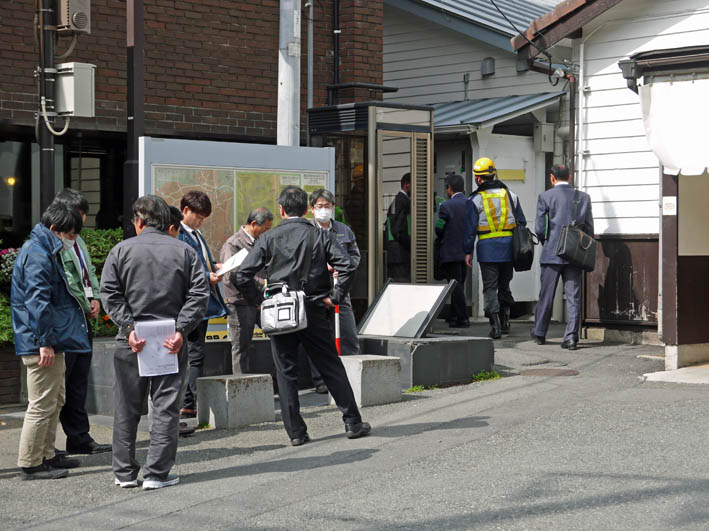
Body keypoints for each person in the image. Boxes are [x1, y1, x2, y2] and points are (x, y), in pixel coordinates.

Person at [236, 186, 371, 446]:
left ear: (282, 210)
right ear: (308, 209)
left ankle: (296, 433)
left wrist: (259, 303)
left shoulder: (268, 238)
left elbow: (241, 275)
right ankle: (352, 421)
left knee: (286, 372)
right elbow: (348, 266)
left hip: (280, 310)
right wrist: (335, 296)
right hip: (313, 307)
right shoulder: (320, 236)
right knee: (330, 365)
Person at [100, 195, 209, 490]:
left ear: (138, 222)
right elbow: (199, 295)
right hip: (170, 339)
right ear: (167, 222)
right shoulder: (185, 251)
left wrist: (128, 325)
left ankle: (124, 473)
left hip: (131, 340)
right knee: (165, 407)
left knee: (126, 407)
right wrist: (181, 329)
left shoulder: (121, 251)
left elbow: (109, 293)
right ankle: (156, 473)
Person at [11, 202, 90, 480]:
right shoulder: (38, 254)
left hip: (48, 339)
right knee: (43, 403)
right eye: (69, 234)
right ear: (55, 229)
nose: (71, 240)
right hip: (42, 342)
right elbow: (37, 302)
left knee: (55, 399)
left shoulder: (41, 249)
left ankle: (45, 455)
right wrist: (44, 341)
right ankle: (31, 463)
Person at [50, 189, 112, 456]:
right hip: (68, 321)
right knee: (59, 385)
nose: (79, 225)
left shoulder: (79, 241)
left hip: (83, 320)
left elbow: (89, 273)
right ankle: (46, 444)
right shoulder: (54, 243)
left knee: (78, 382)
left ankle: (78, 437)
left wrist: (96, 297)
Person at [177, 191, 229, 418]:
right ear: (185, 210)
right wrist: (207, 275)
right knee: (193, 354)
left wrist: (216, 266)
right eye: (198, 217)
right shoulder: (179, 235)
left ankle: (189, 401)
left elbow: (202, 260)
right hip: (190, 303)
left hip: (202, 303)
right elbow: (185, 268)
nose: (200, 222)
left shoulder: (195, 234)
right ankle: (188, 402)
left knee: (197, 353)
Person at [531, 164, 594, 350]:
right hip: (574, 254)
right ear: (570, 176)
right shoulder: (583, 197)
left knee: (546, 295)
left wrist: (547, 243)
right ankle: (572, 337)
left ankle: (540, 333)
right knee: (573, 295)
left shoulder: (545, 197)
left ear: (552, 178)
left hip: (552, 252)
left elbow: (540, 229)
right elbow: (589, 228)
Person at [464, 157, 526, 339]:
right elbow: (521, 221)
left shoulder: (475, 200)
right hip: (509, 249)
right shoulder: (511, 195)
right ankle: (506, 321)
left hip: (488, 250)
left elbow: (470, 230)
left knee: (490, 287)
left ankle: (495, 326)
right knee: (505, 285)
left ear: (478, 178)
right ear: (494, 174)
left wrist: (468, 251)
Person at [307, 189, 361, 394]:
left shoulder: (344, 231)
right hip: (316, 292)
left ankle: (353, 374)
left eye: (327, 206)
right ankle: (320, 380)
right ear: (312, 209)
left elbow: (354, 256)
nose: (323, 210)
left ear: (333, 207)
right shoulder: (307, 231)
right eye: (319, 206)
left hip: (341, 290)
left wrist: (344, 266)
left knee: (347, 334)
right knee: (319, 338)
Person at [220, 208, 273, 375]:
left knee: (278, 337)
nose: (266, 232)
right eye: (265, 228)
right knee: (241, 346)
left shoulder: (259, 241)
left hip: (260, 300)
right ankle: (241, 387)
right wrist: (262, 284)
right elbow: (231, 275)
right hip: (240, 302)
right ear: (253, 224)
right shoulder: (233, 244)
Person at [435, 174, 469, 328]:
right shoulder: (470, 204)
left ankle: (462, 317)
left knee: (454, 286)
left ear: (449, 188)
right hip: (465, 253)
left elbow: (439, 228)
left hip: (450, 252)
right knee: (459, 283)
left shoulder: (446, 206)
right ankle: (453, 316)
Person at [385, 173, 411, 282]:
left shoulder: (397, 200)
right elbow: (397, 229)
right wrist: (410, 243)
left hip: (395, 253)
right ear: (406, 185)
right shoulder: (402, 201)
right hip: (399, 253)